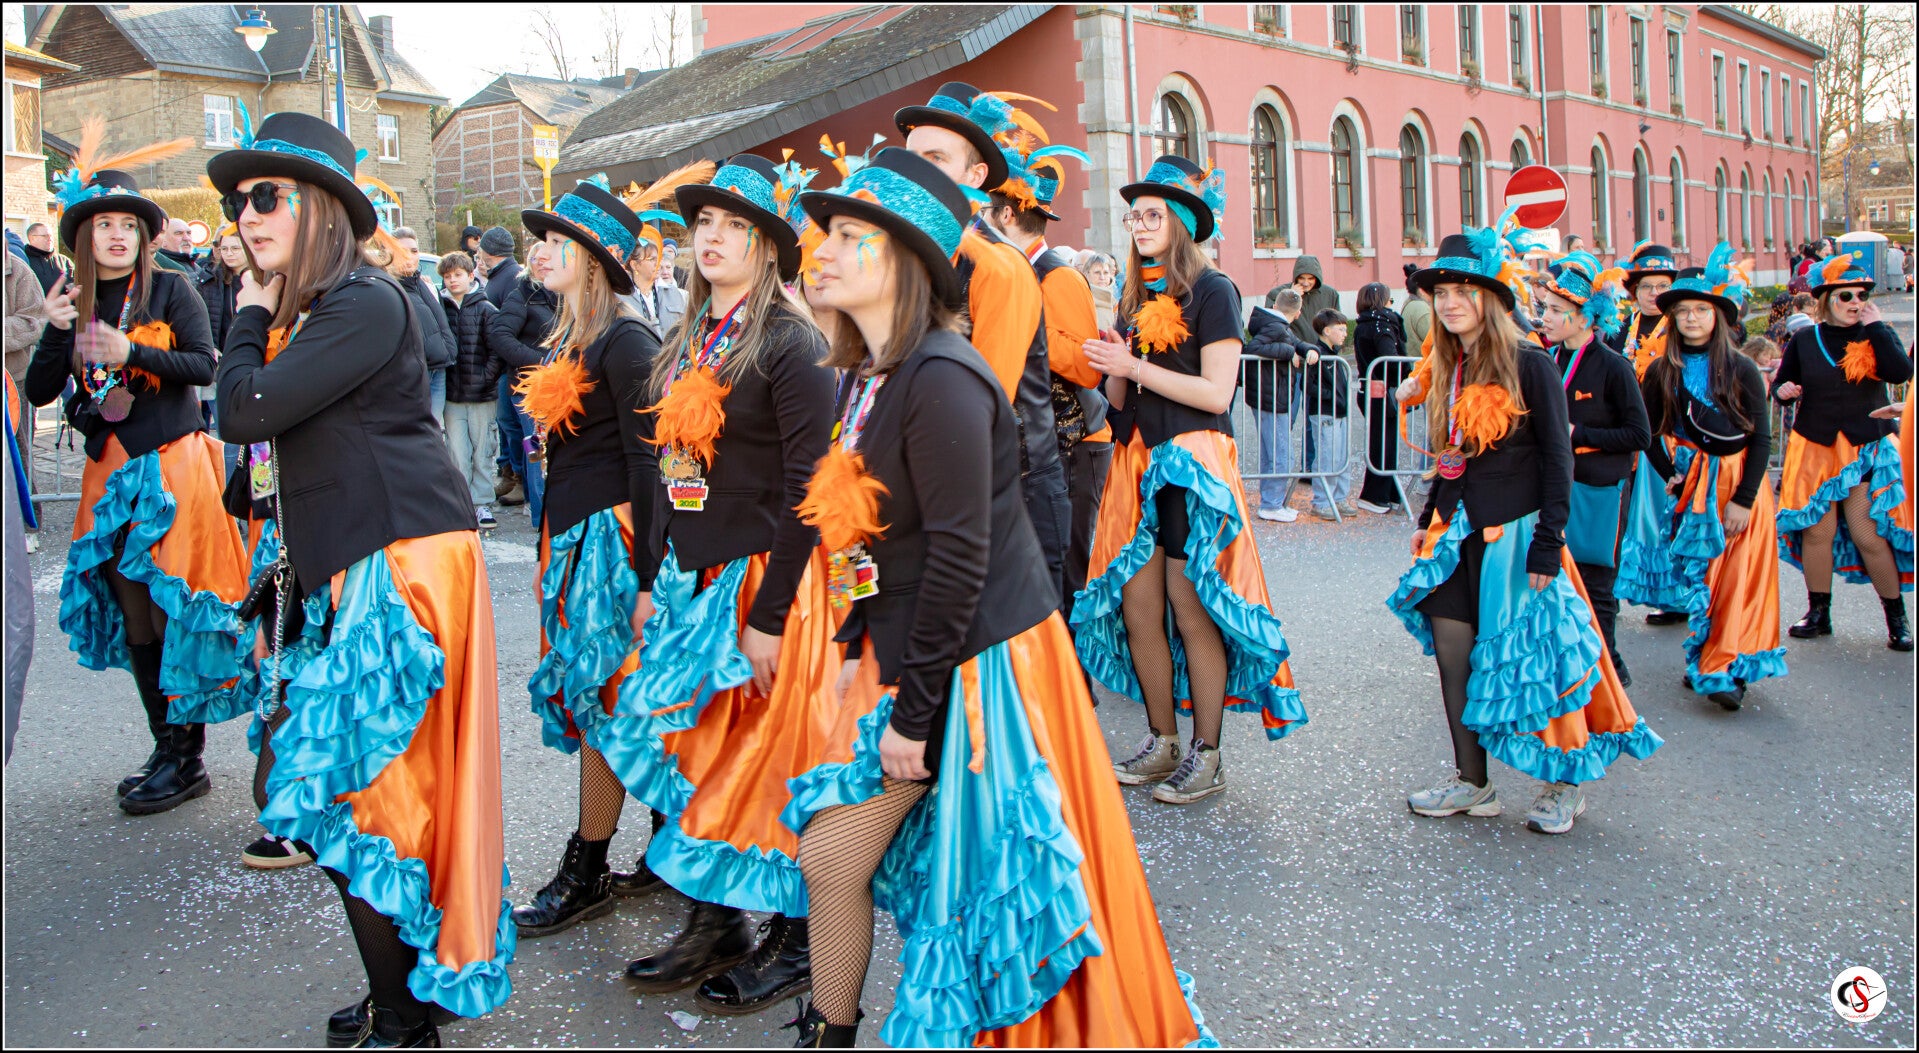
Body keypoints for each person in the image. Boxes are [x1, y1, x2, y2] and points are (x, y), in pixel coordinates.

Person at [781, 143, 1211, 1049]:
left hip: (981, 669)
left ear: (903, 258)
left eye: (848, 235)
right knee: (850, 860)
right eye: (826, 233)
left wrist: (913, 714)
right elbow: (867, 533)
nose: (821, 249)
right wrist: (855, 643)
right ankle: (828, 1027)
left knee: (962, 879)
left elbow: (959, 556)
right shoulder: (869, 372)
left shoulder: (942, 375)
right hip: (919, 648)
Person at [211, 111, 510, 1045]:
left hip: (399, 566)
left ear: (321, 208)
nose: (246, 214)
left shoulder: (364, 301)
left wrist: (248, 312)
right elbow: (268, 448)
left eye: (267, 196)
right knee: (360, 788)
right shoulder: (318, 311)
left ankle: (404, 1013)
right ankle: (403, 993)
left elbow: (242, 408)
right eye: (236, 201)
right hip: (357, 560)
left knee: (364, 791)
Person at [614, 152, 842, 1015]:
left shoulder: (792, 342)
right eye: (702, 223)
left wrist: (772, 615)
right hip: (698, 576)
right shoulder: (689, 337)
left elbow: (810, 490)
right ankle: (716, 922)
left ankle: (799, 939)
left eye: (733, 226)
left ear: (769, 246)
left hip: (767, 582)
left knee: (778, 761)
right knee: (702, 755)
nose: (710, 238)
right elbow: (671, 466)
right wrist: (657, 574)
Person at [1389, 224, 1660, 836]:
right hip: (1459, 534)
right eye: (1440, 292)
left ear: (1491, 297)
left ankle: (1564, 783)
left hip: (1520, 534)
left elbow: (1559, 460)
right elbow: (1454, 456)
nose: (1450, 302)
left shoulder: (1530, 361)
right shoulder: (1452, 366)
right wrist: (1430, 520)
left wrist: (1548, 542)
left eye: (1463, 290)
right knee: (1453, 652)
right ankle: (1473, 782)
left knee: (1542, 662)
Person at [26, 149, 252, 818]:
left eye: (128, 224)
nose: (117, 234)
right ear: (83, 236)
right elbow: (39, 390)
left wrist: (132, 351)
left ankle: (188, 757)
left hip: (171, 465)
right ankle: (167, 749)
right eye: (104, 225)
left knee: (169, 607)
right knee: (132, 613)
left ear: (145, 235)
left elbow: (204, 365)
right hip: (109, 472)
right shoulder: (72, 299)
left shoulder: (172, 288)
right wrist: (54, 331)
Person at [1076, 153, 1307, 802]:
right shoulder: (1134, 296)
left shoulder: (1214, 290)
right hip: (1136, 463)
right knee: (1137, 607)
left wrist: (1135, 368)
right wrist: (1114, 362)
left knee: (1191, 606)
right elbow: (1121, 401)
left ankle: (1208, 753)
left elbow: (1214, 392)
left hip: (1191, 463)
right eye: (1134, 216)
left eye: (1153, 215)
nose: (1140, 225)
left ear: (1180, 221)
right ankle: (1163, 740)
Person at [506, 173, 665, 942]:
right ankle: (667, 849)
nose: (539, 251)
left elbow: (651, 462)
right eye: (540, 239)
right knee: (615, 704)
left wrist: (647, 579)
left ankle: (589, 865)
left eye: (556, 241)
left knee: (609, 705)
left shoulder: (627, 341)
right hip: (572, 538)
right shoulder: (572, 333)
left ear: (595, 258)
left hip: (611, 545)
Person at [895, 82, 1070, 606]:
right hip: (935, 485)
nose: (917, 171)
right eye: (912, 158)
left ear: (975, 177)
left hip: (1009, 493)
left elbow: (987, 405)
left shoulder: (999, 267)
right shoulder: (908, 258)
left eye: (936, 158)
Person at [1641, 248, 1786, 708]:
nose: (1691, 318)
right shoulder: (1662, 371)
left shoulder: (1741, 368)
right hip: (1694, 487)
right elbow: (1647, 433)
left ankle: (1725, 668)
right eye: (1683, 311)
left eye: (1701, 309)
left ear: (1718, 316)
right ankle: (1707, 659)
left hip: (1739, 483)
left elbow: (1761, 440)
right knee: (1703, 576)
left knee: (1738, 577)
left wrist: (1744, 499)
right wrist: (1671, 474)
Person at [984, 137, 1110, 622]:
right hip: (1045, 444)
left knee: (1066, 575)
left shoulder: (1057, 277)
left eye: (987, 212)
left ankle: (1075, 667)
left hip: (1075, 446)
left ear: (1007, 216)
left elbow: (1086, 366)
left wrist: (1023, 321)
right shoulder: (1012, 273)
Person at [1772, 250, 1914, 651]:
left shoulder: (1875, 334)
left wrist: (1877, 326)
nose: (1855, 302)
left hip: (1863, 446)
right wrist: (1783, 391)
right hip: (1815, 446)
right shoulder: (1804, 339)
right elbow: (1781, 384)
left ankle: (1897, 619)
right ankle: (1819, 613)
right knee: (1818, 533)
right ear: (1825, 300)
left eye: (1861, 295)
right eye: (1845, 296)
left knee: (1869, 535)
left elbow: (1901, 372)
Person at [1535, 252, 1653, 686]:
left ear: (1586, 319)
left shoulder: (1614, 367)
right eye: (1545, 308)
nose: (1546, 317)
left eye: (1556, 311)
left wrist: (1577, 433)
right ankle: (1569, 665)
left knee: (1597, 581)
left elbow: (1639, 435)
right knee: (1557, 578)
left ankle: (1610, 667)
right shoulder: (1548, 359)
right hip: (1554, 488)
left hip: (1599, 489)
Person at [1608, 242, 1689, 626]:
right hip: (1626, 435)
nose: (1654, 294)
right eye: (1646, 287)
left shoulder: (1681, 327)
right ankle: (1611, 591)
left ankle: (1677, 597)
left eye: (1662, 286)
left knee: (1667, 516)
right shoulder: (1622, 328)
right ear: (1634, 291)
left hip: (1667, 436)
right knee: (1622, 517)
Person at [487, 237, 559, 528]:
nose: (543, 264)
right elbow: (500, 336)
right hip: (530, 388)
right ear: (529, 264)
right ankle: (542, 519)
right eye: (537, 260)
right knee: (538, 453)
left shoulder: (564, 293)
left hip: (562, 385)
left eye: (547, 259)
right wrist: (541, 361)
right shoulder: (521, 295)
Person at [438, 251, 504, 530]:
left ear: (470, 276)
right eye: (447, 276)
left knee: (482, 450)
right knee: (456, 451)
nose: (453, 280)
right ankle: (462, 502)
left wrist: (485, 378)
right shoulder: (439, 308)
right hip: (452, 395)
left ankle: (482, 503)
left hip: (481, 395)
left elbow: (497, 351)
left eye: (458, 275)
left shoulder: (486, 309)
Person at [1243, 287, 1307, 522]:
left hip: (1270, 395)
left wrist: (1307, 349)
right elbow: (1254, 348)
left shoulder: (1275, 324)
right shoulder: (1276, 326)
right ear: (1298, 313)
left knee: (1274, 452)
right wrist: (1289, 351)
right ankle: (1271, 504)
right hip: (1272, 397)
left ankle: (1272, 501)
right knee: (1281, 454)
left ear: (1275, 305)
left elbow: (1295, 342)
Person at [388, 226, 458, 424]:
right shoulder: (388, 288)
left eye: (414, 251)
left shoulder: (424, 285)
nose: (409, 257)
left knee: (434, 430)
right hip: (415, 374)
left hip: (439, 369)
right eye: (402, 251)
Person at [1353, 280, 1407, 513]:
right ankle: (1375, 495)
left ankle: (1388, 492)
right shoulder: (1381, 325)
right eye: (1389, 299)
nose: (1391, 304)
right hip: (1383, 390)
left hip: (1371, 388)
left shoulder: (1363, 324)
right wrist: (1407, 372)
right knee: (1384, 444)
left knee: (1382, 442)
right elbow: (1391, 359)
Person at [5, 251, 44, 554]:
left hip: (12, 380)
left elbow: (35, 319)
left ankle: (28, 524)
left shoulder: (17, 270)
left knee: (18, 452)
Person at [1303, 308, 1356, 521]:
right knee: (1327, 457)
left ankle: (1339, 498)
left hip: (1339, 412)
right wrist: (1331, 396)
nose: (1345, 333)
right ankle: (1322, 501)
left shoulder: (1333, 354)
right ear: (1326, 331)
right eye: (1340, 329)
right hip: (1325, 413)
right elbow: (1308, 385)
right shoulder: (1317, 354)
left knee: (1342, 457)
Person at [1074, 249, 1118, 331]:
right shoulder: (1081, 300)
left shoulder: (1117, 302)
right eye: (1097, 272)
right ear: (1087, 274)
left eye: (1105, 273)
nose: (1102, 277)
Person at [22, 221, 70, 294]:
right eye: (45, 236)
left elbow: (74, 284)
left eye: (51, 236)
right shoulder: (24, 260)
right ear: (32, 238)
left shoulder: (63, 260)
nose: (50, 239)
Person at [1400, 263, 1432, 355]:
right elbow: (1436, 341)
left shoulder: (1410, 303)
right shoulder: (1421, 308)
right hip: (1421, 361)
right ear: (1421, 290)